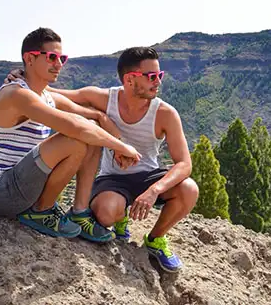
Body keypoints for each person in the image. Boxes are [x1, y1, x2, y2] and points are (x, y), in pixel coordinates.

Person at [0, 27, 141, 243]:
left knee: (90, 129)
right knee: (76, 139)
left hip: (26, 185)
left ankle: (80, 212)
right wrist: (121, 148)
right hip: (1, 193)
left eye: (62, 58)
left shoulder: (45, 95)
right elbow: (75, 126)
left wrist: (116, 141)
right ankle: (41, 210)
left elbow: (95, 117)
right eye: (52, 57)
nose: (59, 64)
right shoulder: (16, 95)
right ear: (29, 58)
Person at [46, 47, 199, 272]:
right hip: (113, 179)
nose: (158, 82)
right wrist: (23, 78)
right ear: (129, 79)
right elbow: (53, 94)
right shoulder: (104, 99)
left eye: (160, 76)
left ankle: (156, 239)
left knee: (189, 189)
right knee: (107, 213)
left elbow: (185, 163)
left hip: (148, 177)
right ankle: (120, 218)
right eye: (151, 77)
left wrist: (154, 190)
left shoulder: (165, 113)